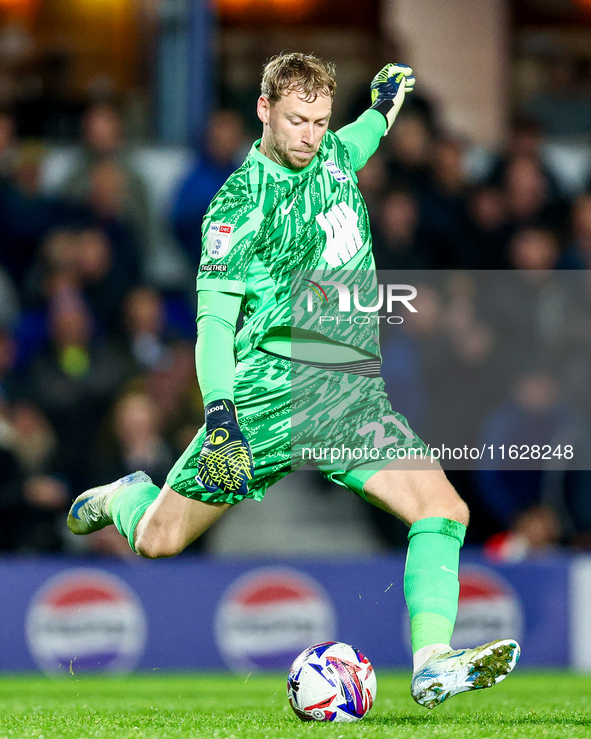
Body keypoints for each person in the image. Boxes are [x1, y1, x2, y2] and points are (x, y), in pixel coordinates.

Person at [67, 53, 520, 708]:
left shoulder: (332, 151)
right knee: (158, 540)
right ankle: (127, 495)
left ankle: (430, 662)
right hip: (262, 401)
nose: (310, 136)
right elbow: (214, 326)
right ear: (264, 110)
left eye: (318, 121)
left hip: (345, 394)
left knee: (443, 508)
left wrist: (384, 107)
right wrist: (220, 415)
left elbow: (359, 138)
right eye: (297, 121)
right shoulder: (239, 207)